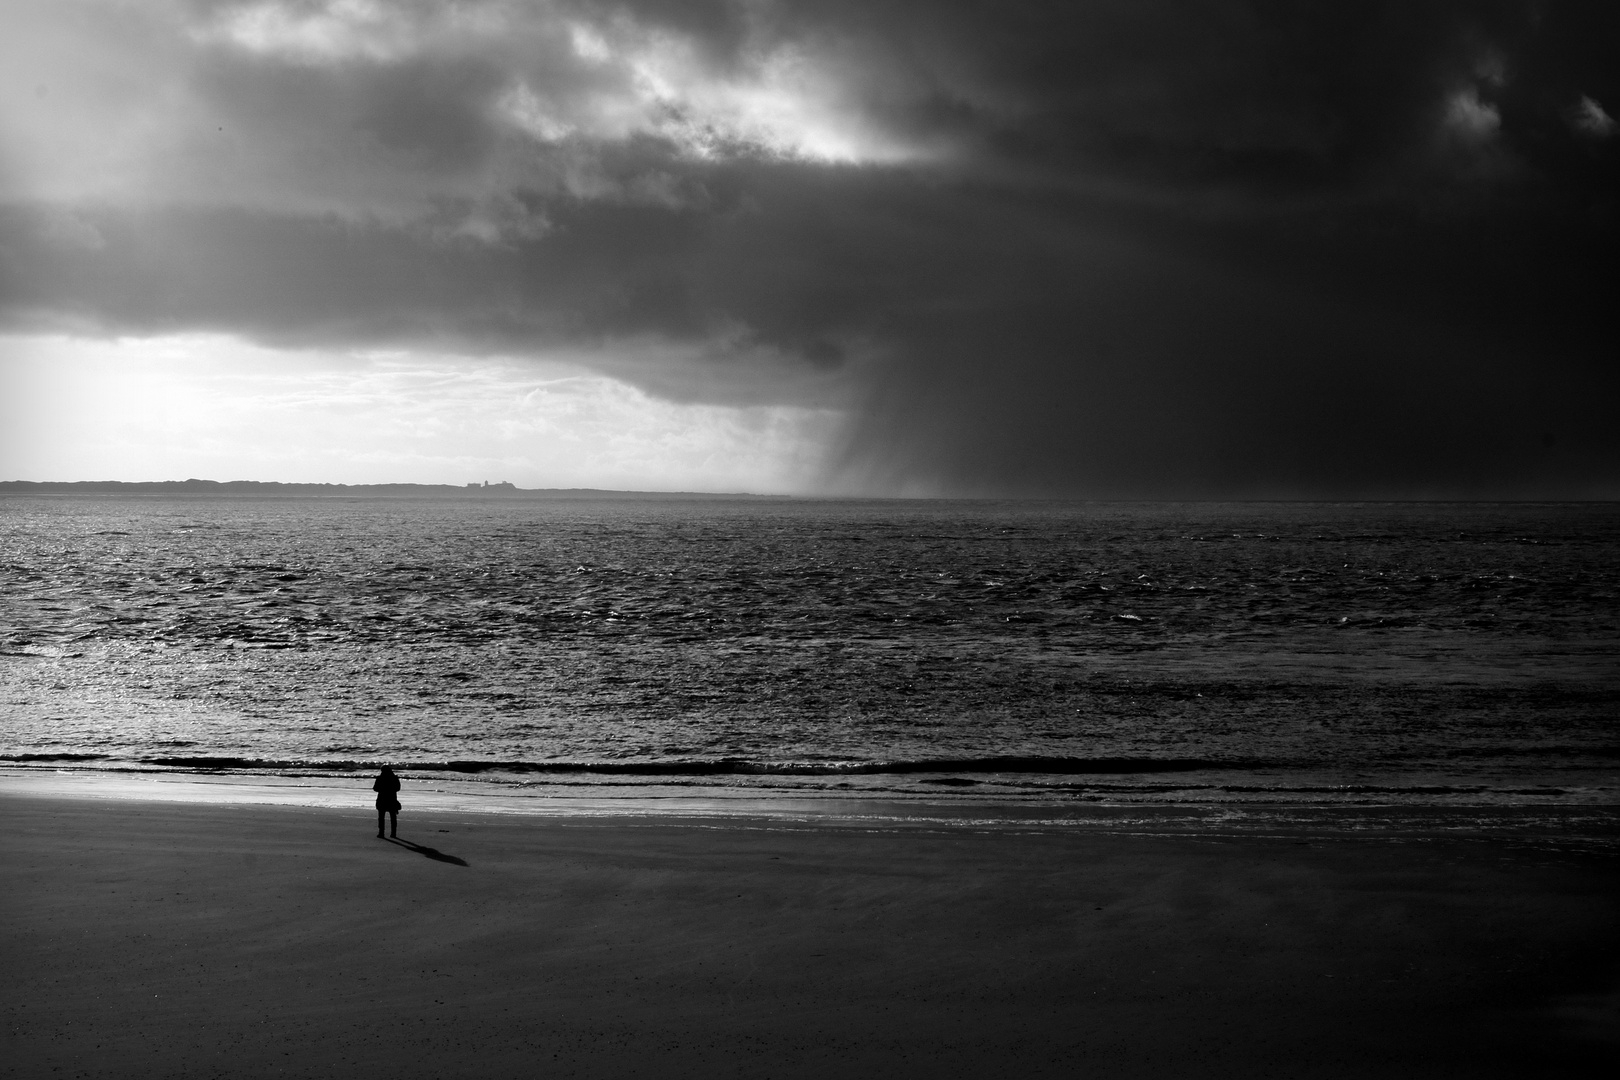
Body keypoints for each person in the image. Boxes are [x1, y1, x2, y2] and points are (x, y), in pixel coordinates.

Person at [373, 765, 401, 839]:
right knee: (393, 817)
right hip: (392, 799)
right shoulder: (394, 778)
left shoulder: (380, 778)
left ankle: (381, 833)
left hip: (382, 799)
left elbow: (375, 788)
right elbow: (398, 788)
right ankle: (393, 833)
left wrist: (382, 789)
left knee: (381, 817)